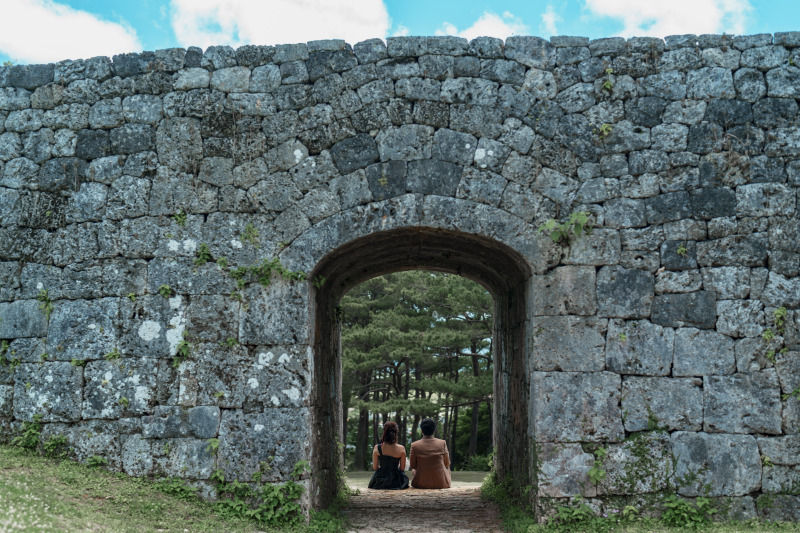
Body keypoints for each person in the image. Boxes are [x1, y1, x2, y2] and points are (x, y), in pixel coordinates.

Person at [409, 417, 451, 489]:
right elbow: (447, 463)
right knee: (448, 468)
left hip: (421, 484)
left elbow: (413, 465)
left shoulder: (414, 445)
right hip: (441, 483)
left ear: (422, 430)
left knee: (414, 470)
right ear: (434, 430)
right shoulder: (442, 443)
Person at [368, 421, 410, 490]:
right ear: (396, 433)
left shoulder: (377, 447)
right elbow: (402, 468)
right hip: (396, 481)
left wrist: (383, 469)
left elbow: (375, 467)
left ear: (384, 432)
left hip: (380, 481)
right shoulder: (401, 448)